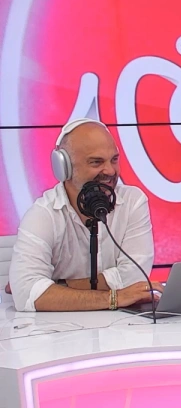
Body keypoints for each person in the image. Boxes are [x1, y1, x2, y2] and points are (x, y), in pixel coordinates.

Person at [7, 118, 161, 312]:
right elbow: (26, 294)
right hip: (57, 328)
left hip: (120, 325)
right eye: (96, 162)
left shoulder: (133, 202)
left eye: (114, 159)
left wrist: (59, 286)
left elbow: (135, 278)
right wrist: (114, 297)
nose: (110, 170)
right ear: (64, 168)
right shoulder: (43, 215)